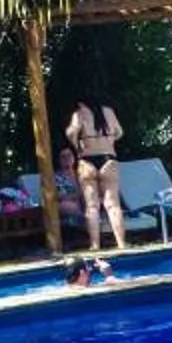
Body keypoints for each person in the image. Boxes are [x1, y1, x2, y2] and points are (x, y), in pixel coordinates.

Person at [65, 96, 130, 252]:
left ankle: (95, 245)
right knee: (113, 205)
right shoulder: (108, 111)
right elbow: (119, 132)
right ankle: (121, 244)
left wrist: (77, 145)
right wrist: (109, 141)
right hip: (109, 159)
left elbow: (72, 133)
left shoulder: (79, 114)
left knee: (92, 206)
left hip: (87, 160)